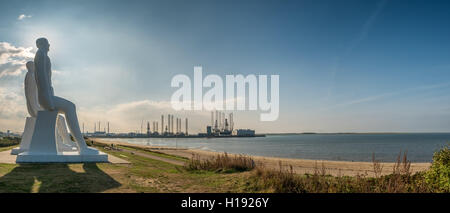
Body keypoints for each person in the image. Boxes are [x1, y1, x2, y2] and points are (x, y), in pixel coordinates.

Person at [34, 37, 96, 154]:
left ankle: (82, 146)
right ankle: (82, 147)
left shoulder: (43, 55)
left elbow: (47, 80)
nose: (49, 45)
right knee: (70, 107)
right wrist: (48, 100)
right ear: (42, 44)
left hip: (47, 95)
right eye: (47, 43)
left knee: (70, 106)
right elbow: (41, 79)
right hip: (45, 97)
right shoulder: (41, 54)